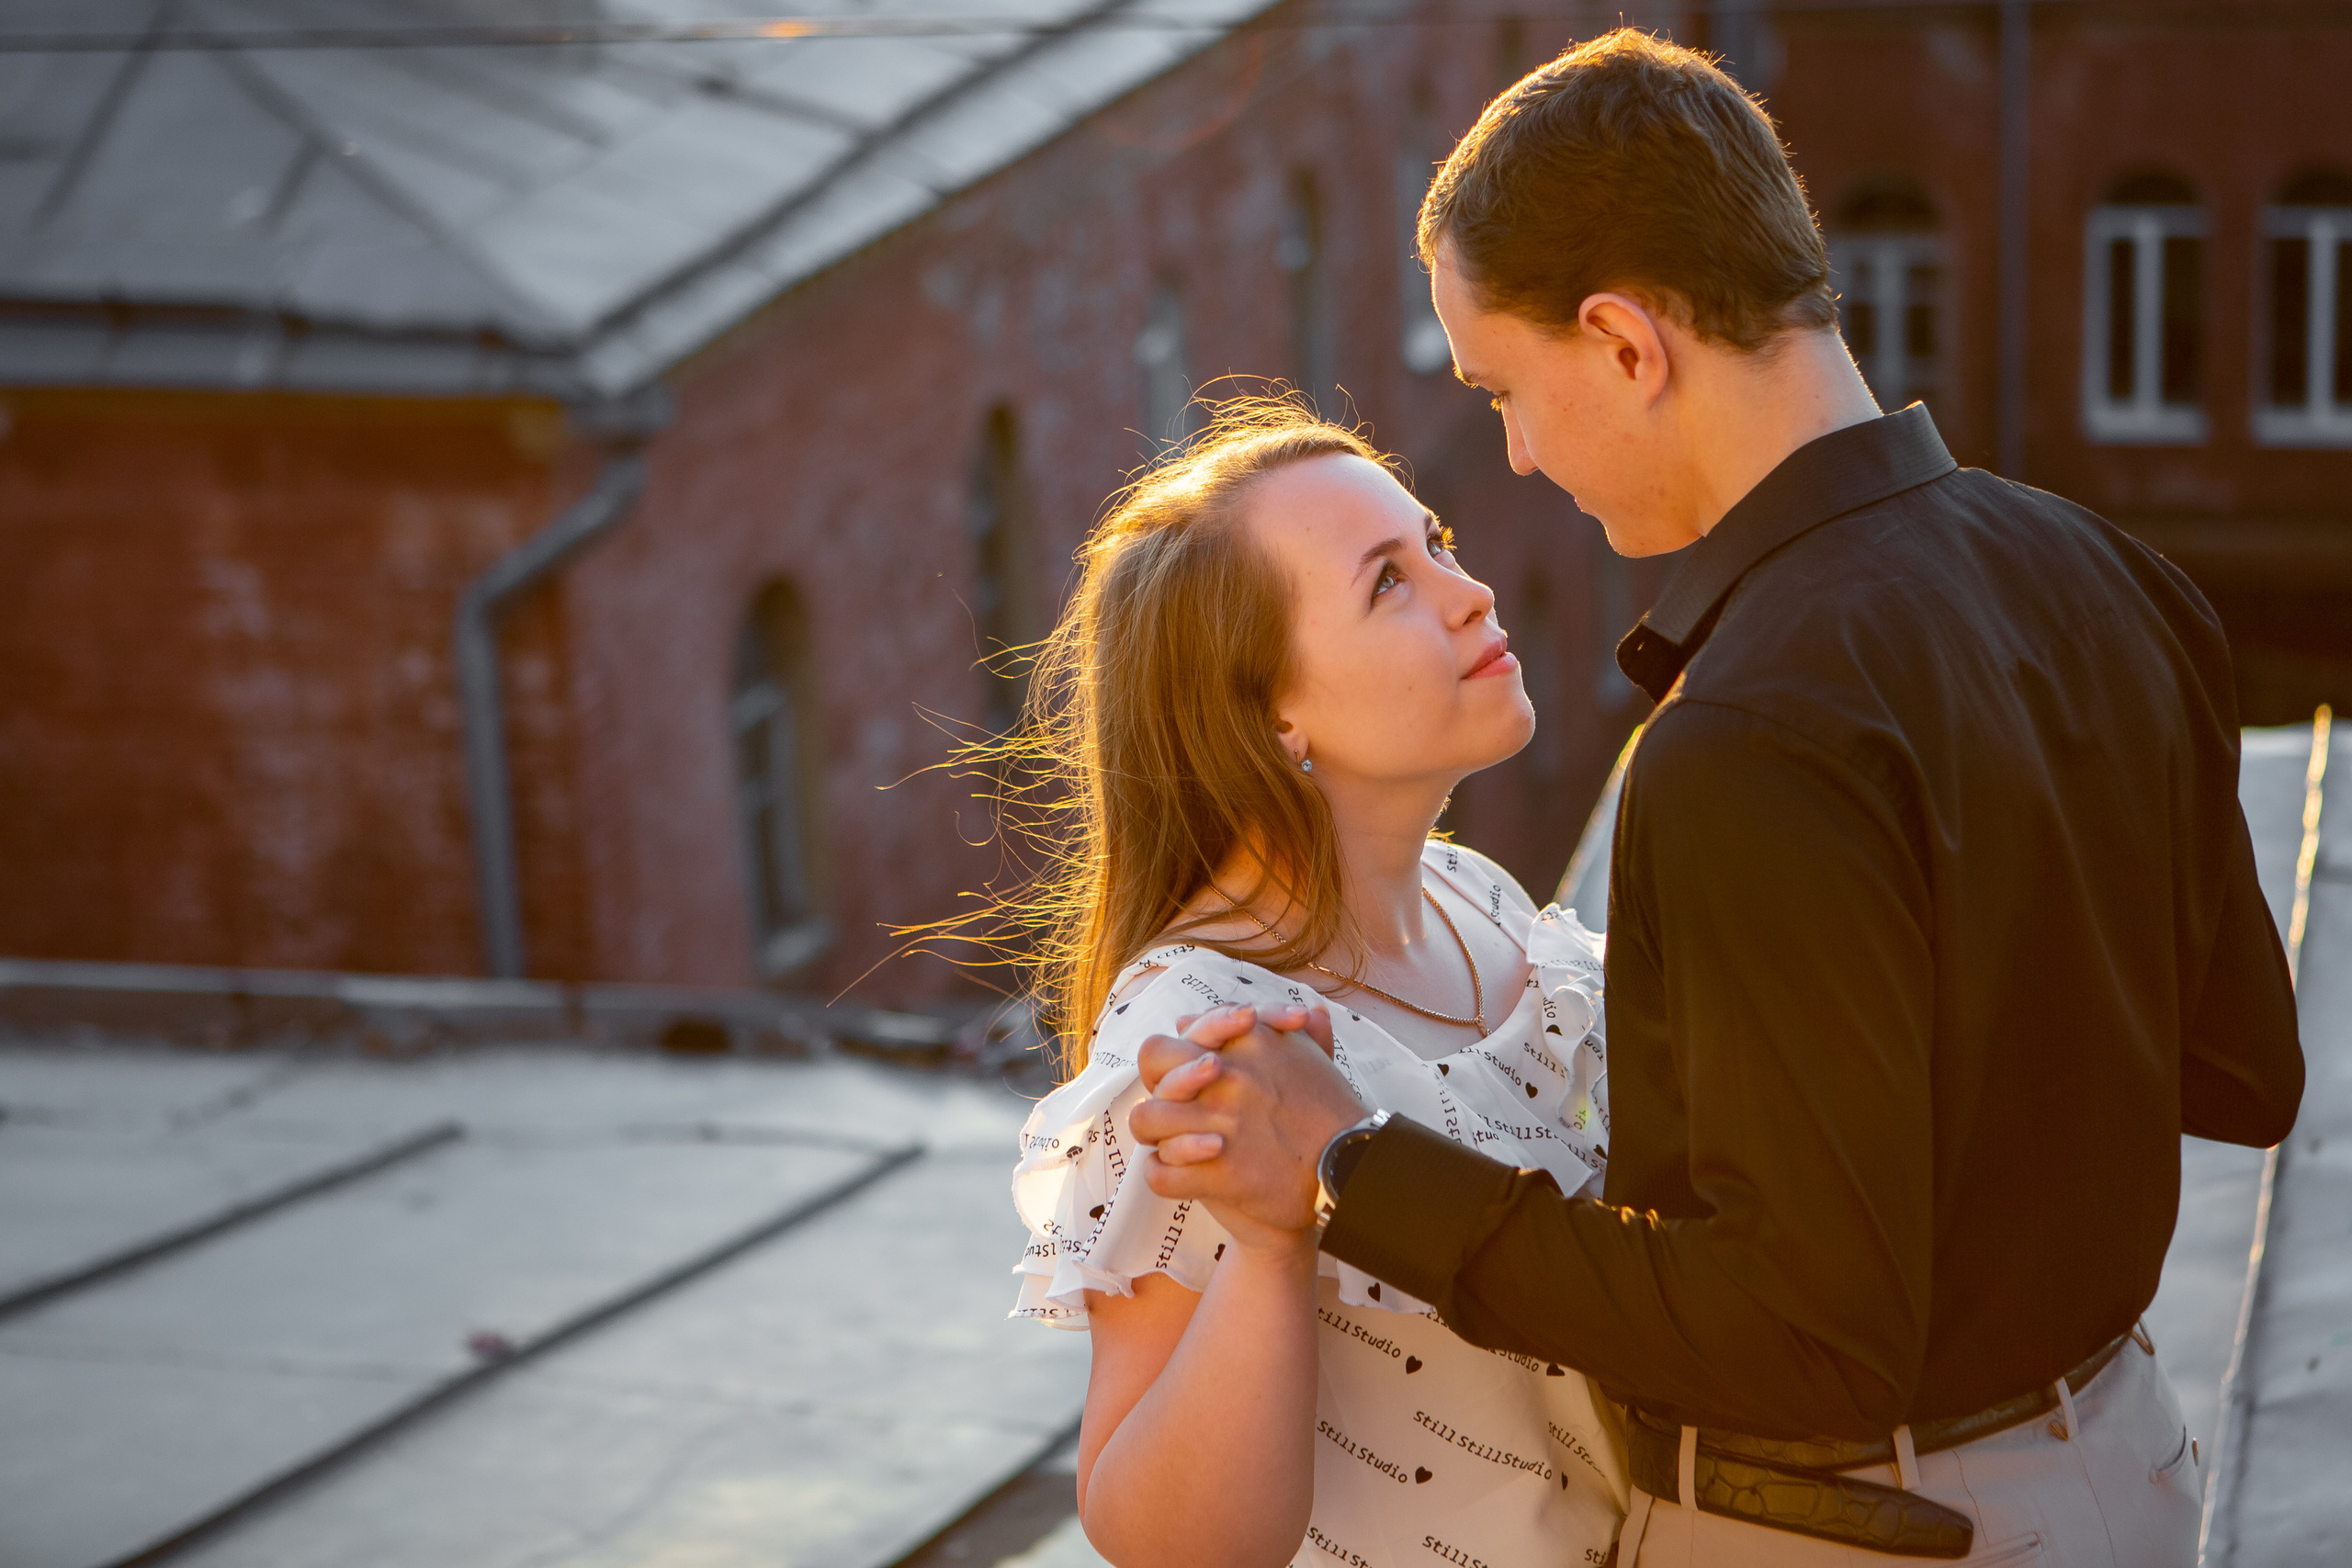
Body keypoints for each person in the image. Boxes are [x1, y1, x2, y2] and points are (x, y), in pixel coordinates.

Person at [1131, 29, 2306, 1567]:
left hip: (1868, 1525)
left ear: (1625, 342)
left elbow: (1808, 1334)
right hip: (2129, 1467)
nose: (1525, 457)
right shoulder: (2111, 576)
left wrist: (1355, 1170)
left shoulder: (1749, 730)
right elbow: (2245, 1070)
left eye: (1507, 390)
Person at [999, 401, 1627, 1568]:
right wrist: (1273, 1244)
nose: (1470, 590)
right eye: (1388, 583)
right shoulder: (1206, 1031)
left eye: (1435, 541)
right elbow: (1158, 1538)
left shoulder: (1479, 899)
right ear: (1269, 714)